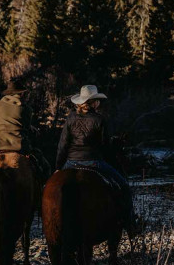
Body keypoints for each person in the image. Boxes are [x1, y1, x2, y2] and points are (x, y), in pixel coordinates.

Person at [56, 85, 139, 235]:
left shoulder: (70, 118)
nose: (99, 103)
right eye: (98, 101)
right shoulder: (99, 120)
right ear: (93, 102)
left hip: (71, 162)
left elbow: (63, 144)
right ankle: (130, 224)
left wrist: (58, 166)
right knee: (124, 185)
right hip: (93, 162)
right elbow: (105, 147)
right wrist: (113, 162)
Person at [0, 79, 47, 180]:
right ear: (20, 94)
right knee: (44, 165)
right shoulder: (27, 109)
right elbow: (25, 128)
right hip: (20, 148)